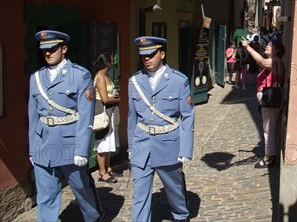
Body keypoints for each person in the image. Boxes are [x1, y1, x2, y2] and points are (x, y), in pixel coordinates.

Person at [28, 30, 103, 222]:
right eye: (44, 50)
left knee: (81, 187)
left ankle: (93, 217)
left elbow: (86, 115)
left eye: (52, 49)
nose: (48, 53)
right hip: (43, 142)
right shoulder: (36, 78)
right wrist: (32, 149)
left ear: (64, 49)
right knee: (46, 195)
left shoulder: (80, 75)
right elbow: (33, 116)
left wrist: (81, 150)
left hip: (70, 143)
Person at [128, 36, 195, 222]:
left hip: (168, 143)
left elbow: (188, 116)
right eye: (143, 56)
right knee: (139, 193)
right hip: (141, 144)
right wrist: (131, 147)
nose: (147, 59)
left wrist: (185, 149)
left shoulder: (178, 80)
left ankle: (181, 215)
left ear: (162, 54)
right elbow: (132, 117)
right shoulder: (134, 82)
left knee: (174, 191)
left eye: (151, 54)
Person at [240, 38, 286, 168]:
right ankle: (271, 154)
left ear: (276, 50)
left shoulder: (274, 61)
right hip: (269, 101)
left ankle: (269, 157)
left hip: (271, 101)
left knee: (268, 129)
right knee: (270, 128)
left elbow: (260, 61)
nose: (266, 46)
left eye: (270, 45)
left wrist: (248, 47)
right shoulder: (276, 62)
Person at [92, 53, 121, 184]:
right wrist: (117, 99)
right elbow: (104, 98)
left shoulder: (107, 76)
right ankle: (102, 172)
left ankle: (108, 168)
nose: (113, 62)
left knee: (109, 141)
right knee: (102, 142)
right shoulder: (100, 77)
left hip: (110, 112)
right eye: (112, 60)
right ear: (107, 62)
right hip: (102, 113)